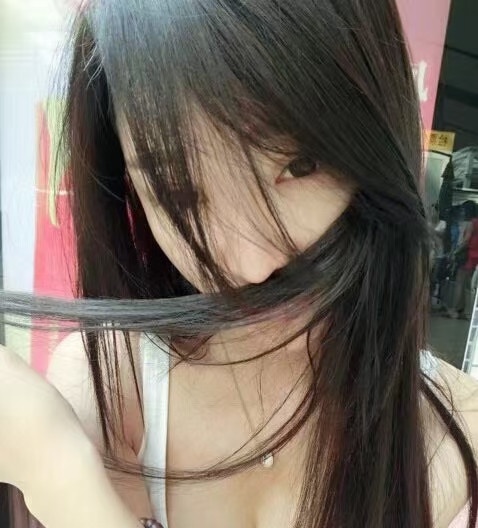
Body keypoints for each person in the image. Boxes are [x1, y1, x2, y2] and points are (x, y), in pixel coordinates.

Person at [0, 1, 477, 528]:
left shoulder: (463, 431)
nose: (250, 268)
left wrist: (65, 487)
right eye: (178, 192)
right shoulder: (111, 383)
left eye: (299, 165)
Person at [450, 202, 478, 319]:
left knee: (459, 283)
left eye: (463, 210)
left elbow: (466, 241)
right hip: (475, 257)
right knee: (466, 284)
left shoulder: (472, 223)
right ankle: (463, 311)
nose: (462, 212)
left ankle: (455, 310)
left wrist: (455, 252)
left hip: (467, 256)